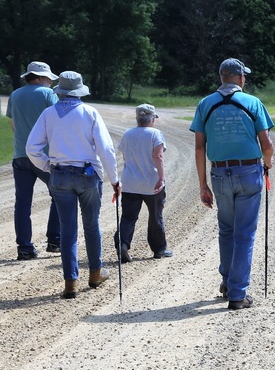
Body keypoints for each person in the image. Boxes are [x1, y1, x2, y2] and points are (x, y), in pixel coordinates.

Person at [26, 71, 120, 299]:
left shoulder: (49, 114)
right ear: (79, 92)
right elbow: (105, 149)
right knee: (91, 225)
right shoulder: (89, 112)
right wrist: (115, 180)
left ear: (60, 92)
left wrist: (48, 166)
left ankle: (71, 282)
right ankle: (96, 273)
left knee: (68, 230)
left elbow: (31, 147)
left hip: (59, 175)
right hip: (88, 174)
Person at [191, 58, 275, 310]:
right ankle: (237, 294)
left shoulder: (205, 104)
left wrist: (202, 184)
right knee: (244, 233)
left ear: (221, 77)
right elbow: (267, 146)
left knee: (226, 229)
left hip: (218, 173)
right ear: (240, 78)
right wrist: (267, 165)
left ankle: (227, 282)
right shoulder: (253, 103)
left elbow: (199, 147)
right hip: (248, 170)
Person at [7, 61, 61, 260]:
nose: (49, 82)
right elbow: (58, 121)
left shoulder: (15, 94)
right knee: (58, 194)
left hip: (20, 155)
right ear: (39, 77)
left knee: (22, 203)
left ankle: (25, 248)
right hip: (45, 155)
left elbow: (13, 125)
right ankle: (55, 240)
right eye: (48, 78)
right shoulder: (48, 95)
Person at [115, 104, 171, 262]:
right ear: (153, 119)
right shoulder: (155, 133)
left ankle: (123, 244)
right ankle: (159, 249)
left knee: (128, 216)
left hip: (130, 182)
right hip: (151, 183)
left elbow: (125, 157)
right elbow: (158, 157)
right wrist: (161, 178)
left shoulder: (128, 134)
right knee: (155, 216)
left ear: (137, 118)